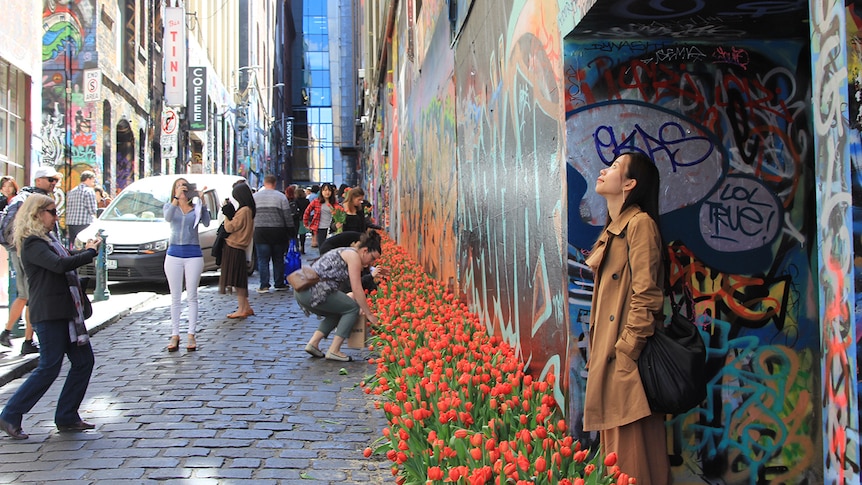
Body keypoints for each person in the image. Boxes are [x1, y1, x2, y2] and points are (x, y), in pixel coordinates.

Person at [582, 152, 671, 484]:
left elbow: (647, 295)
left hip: (626, 365)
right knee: (617, 460)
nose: (604, 170)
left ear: (630, 184)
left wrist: (625, 351)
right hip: (611, 362)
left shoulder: (640, 225)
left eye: (615, 167)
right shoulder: (615, 229)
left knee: (631, 462)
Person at [0, 194, 101, 439]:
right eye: (53, 212)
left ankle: (67, 416)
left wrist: (86, 249)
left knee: (83, 362)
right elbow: (59, 265)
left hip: (64, 312)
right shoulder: (32, 242)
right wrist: (88, 253)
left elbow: (64, 259)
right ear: (37, 214)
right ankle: (9, 415)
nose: (56, 217)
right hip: (48, 313)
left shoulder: (48, 239)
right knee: (49, 367)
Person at [0, 166, 63, 355]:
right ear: (38, 181)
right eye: (50, 179)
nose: (54, 183)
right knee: (33, 296)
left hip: (21, 251)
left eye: (55, 180)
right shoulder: (35, 201)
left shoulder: (25, 198)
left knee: (24, 295)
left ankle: (7, 332)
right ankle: (28, 340)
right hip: (30, 253)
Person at [296, 230, 382, 362]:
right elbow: (357, 288)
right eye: (372, 258)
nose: (371, 263)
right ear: (365, 251)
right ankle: (334, 350)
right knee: (352, 308)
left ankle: (313, 343)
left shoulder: (346, 251)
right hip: (314, 291)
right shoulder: (353, 256)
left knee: (337, 311)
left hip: (302, 289)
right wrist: (369, 314)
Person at [163, 177, 210, 352]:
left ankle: (191, 333)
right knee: (175, 297)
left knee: (192, 295)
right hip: (174, 254)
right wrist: (176, 198)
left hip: (193, 254)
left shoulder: (195, 209)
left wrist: (202, 201)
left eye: (184, 187)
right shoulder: (170, 207)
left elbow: (206, 221)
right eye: (178, 186)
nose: (182, 190)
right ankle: (175, 334)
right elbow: (167, 218)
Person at [219, 182, 256, 319]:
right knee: (239, 279)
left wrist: (227, 216)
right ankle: (245, 306)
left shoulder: (244, 210)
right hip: (239, 246)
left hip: (235, 245)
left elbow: (230, 227)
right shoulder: (249, 210)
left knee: (237, 280)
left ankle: (242, 308)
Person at [253, 174, 293, 293]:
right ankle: (279, 283)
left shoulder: (255, 197)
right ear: (275, 183)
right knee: (278, 258)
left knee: (263, 259)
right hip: (278, 231)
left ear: (264, 183)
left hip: (261, 231)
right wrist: (291, 232)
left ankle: (264, 284)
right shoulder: (281, 197)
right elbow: (287, 216)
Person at [65, 170, 98, 248]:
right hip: (84, 223)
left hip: (71, 223)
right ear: (88, 179)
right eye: (93, 180)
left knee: (73, 246)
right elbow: (92, 210)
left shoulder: (72, 191)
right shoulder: (89, 191)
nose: (93, 183)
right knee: (83, 246)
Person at [302, 183, 339, 249]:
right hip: (320, 228)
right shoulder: (316, 201)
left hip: (331, 229)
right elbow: (307, 212)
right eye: (325, 190)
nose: (327, 192)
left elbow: (339, 214)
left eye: (329, 190)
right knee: (322, 248)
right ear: (321, 191)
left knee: (331, 248)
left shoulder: (334, 203)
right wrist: (306, 224)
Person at [293, 185, 311, 254]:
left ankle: (297, 247)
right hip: (304, 218)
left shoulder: (295, 201)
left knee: (295, 233)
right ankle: (302, 247)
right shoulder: (307, 201)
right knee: (303, 234)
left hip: (297, 218)